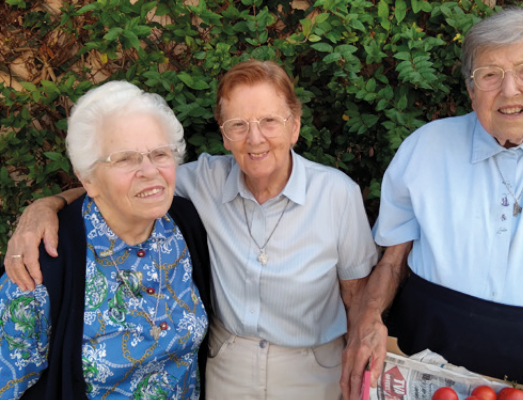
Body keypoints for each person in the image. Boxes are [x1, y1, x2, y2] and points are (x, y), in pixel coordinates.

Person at [4, 60, 379, 399]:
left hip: (312, 370)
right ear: (224, 133)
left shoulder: (334, 194)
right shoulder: (196, 187)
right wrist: (45, 206)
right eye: (238, 125)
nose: (255, 138)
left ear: (294, 126)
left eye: (269, 121)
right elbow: (120, 187)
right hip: (228, 370)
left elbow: (356, 297)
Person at [340, 6, 523, 400]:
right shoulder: (425, 147)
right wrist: (368, 319)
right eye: (490, 75)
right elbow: (392, 262)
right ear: (471, 88)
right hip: (429, 348)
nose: (509, 90)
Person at [0, 81, 212, 399]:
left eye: (159, 153)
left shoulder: (186, 225)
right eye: (125, 159)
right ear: (88, 179)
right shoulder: (43, 263)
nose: (149, 170)